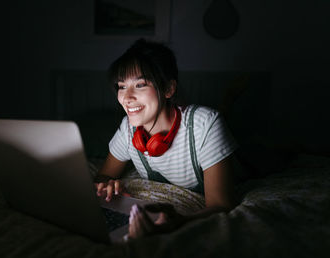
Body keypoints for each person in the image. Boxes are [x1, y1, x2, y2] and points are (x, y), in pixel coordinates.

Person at [94, 38, 238, 239]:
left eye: (140, 84)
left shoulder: (206, 124)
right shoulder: (128, 128)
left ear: (169, 89)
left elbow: (221, 205)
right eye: (121, 86)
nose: (127, 98)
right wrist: (105, 186)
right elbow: (103, 177)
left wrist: (179, 224)